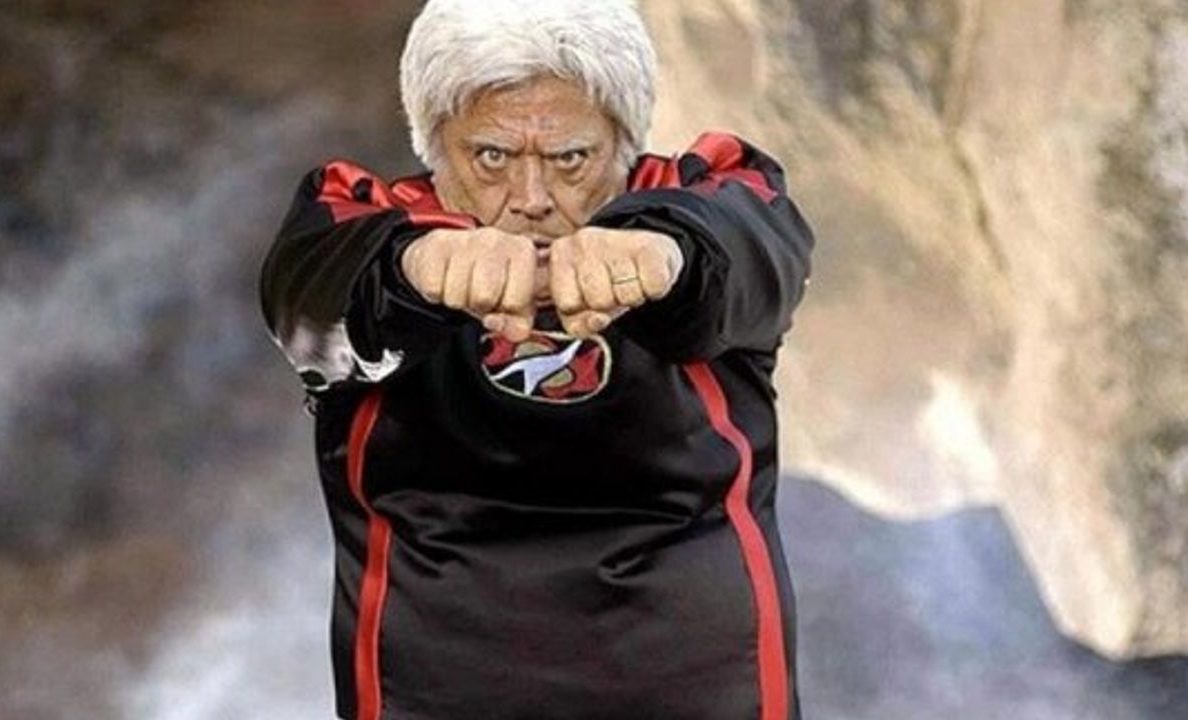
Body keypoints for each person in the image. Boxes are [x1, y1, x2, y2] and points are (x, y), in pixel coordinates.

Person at [259, 1, 814, 718]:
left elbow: (754, 247)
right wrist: (417, 268)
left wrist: (666, 255)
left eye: (569, 159)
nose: (531, 200)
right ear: (435, 144)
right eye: (491, 157)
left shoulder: (711, 199)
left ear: (623, 143)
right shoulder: (363, 221)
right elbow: (307, 301)